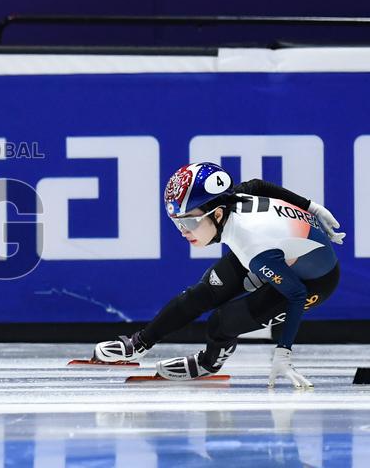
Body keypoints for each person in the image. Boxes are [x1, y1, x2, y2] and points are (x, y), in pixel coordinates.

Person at [94, 162, 342, 387]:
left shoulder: (251, 246)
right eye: (177, 223)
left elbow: (297, 294)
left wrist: (283, 354)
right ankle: (138, 343)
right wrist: (312, 206)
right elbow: (258, 185)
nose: (183, 232)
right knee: (200, 295)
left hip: (313, 282)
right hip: (279, 252)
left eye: (189, 223)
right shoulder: (233, 199)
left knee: (223, 322)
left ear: (219, 214)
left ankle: (208, 363)